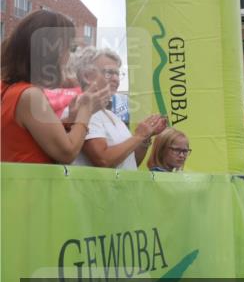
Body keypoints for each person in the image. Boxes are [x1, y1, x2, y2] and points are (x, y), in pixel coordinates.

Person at [1, 11, 110, 164]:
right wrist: (86, 111)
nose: (68, 56)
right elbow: (67, 152)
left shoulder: (10, 89)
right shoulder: (29, 95)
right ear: (51, 52)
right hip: (32, 180)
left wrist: (71, 119)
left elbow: (33, 136)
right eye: (69, 49)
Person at [68, 46, 167, 170]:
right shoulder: (83, 109)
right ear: (87, 76)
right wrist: (139, 136)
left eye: (118, 74)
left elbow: (131, 161)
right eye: (108, 73)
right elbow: (103, 160)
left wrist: (146, 137)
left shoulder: (111, 115)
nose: (116, 79)